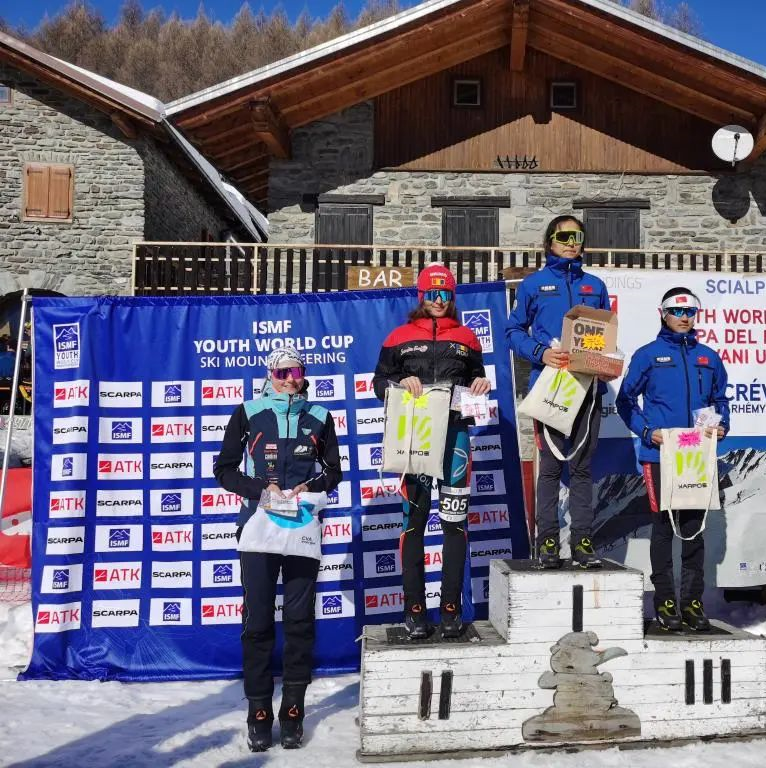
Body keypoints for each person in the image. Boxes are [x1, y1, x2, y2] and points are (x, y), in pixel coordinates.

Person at [215, 346, 343, 752]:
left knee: (300, 621)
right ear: (270, 375)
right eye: (282, 372)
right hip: (257, 528)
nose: (290, 379)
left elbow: (334, 471)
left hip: (301, 528)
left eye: (296, 371)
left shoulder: (320, 416)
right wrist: (260, 489)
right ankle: (258, 711)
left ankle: (293, 710)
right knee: (257, 622)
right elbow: (224, 469)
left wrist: (310, 486)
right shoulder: (248, 412)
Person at [372, 264, 491, 639]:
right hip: (416, 438)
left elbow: (476, 379)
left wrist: (481, 383)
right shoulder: (399, 336)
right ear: (421, 296)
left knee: (455, 525)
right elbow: (378, 383)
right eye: (432, 294)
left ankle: (451, 609)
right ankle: (415, 611)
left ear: (452, 297)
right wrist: (398, 381)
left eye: (445, 294)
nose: (439, 300)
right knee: (414, 523)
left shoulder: (467, 338)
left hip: (455, 438)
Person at [616, 287, 730, 632]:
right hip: (661, 455)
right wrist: (646, 431)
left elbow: (720, 400)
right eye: (676, 311)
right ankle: (665, 601)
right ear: (662, 314)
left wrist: (722, 425)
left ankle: (692, 602)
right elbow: (625, 401)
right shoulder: (648, 355)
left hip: (696, 456)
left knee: (693, 530)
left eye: (689, 311)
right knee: (664, 528)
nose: (684, 317)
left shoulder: (708, 357)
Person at [507, 215, 614, 569]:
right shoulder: (533, 285)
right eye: (564, 236)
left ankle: (582, 542)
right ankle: (548, 542)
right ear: (549, 241)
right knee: (551, 468)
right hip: (551, 386)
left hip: (587, 387)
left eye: (577, 236)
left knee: (582, 468)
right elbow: (513, 331)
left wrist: (607, 360)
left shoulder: (595, 285)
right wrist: (541, 353)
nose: (571, 243)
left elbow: (604, 336)